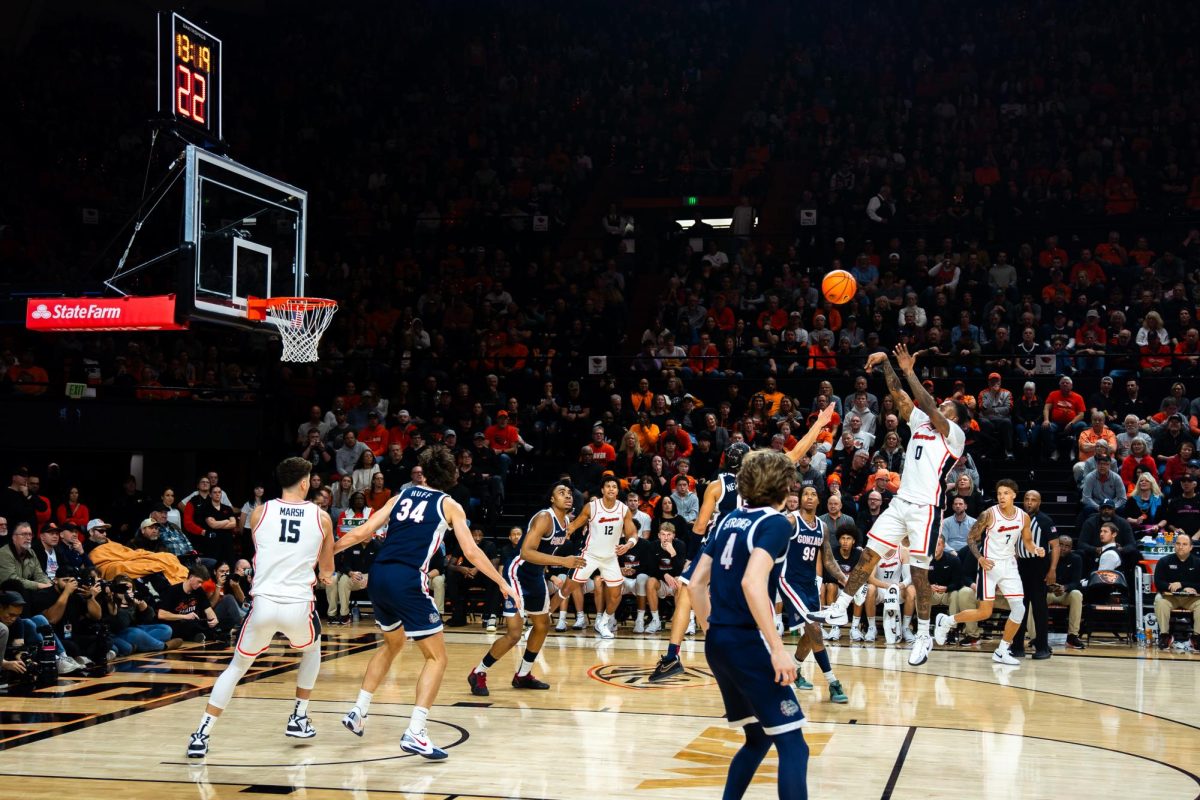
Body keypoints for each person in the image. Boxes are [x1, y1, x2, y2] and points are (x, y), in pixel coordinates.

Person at [334, 446, 516, 759]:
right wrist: (501, 582)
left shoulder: (400, 496)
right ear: (452, 476)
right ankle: (416, 731)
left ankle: (358, 710)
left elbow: (361, 532)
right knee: (437, 658)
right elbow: (471, 552)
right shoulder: (449, 504)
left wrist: (325, 558)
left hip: (379, 576)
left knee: (392, 644)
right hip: (407, 579)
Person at [811, 345, 967, 667]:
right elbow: (898, 394)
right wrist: (886, 364)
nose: (943, 405)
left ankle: (923, 633)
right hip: (901, 502)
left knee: (919, 573)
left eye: (948, 405)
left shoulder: (954, 434)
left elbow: (927, 405)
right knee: (869, 554)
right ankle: (841, 605)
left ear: (955, 415)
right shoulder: (922, 420)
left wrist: (910, 371)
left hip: (926, 508)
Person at [651, 407, 834, 682]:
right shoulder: (761, 478)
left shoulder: (717, 485)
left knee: (689, 592)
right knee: (749, 597)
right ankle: (756, 652)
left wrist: (690, 557)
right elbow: (795, 455)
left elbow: (700, 527)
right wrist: (819, 424)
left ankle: (674, 655)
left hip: (725, 537)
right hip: (754, 541)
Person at [187, 458, 335, 758]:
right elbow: (327, 571)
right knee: (313, 648)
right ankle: (298, 716)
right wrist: (326, 568)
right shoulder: (322, 518)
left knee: (237, 667)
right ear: (305, 482)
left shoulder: (258, 512)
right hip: (298, 605)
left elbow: (267, 546)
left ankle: (201, 734)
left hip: (263, 604)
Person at [687, 450, 811, 800]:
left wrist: (712, 630)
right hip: (748, 642)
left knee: (757, 739)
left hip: (719, 642)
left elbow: (696, 583)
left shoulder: (727, 520)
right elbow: (752, 583)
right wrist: (778, 649)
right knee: (794, 747)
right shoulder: (774, 524)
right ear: (783, 486)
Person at [468, 484, 584, 696]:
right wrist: (562, 561)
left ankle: (523, 674)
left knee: (542, 624)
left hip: (536, 576)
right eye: (561, 493)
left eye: (569, 493)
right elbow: (526, 552)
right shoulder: (544, 518)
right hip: (517, 575)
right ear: (551, 499)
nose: (567, 496)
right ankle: (478, 672)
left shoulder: (566, 521)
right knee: (513, 634)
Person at [934, 479, 1044, 666]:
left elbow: (1027, 541)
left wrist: (1035, 549)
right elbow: (971, 537)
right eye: (999, 493)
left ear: (1014, 495)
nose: (1002, 497)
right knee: (984, 612)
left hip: (1009, 565)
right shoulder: (989, 514)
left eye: (1006, 493)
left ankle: (1002, 650)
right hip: (989, 566)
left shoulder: (1023, 517)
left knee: (1019, 609)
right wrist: (980, 558)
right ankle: (947, 621)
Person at [779, 486, 849, 704]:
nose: (809, 497)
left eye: (813, 494)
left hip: (810, 584)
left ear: (819, 501)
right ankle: (832, 682)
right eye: (805, 494)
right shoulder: (791, 521)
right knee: (815, 628)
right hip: (789, 581)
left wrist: (844, 579)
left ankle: (796, 671)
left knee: (810, 635)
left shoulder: (822, 527)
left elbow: (828, 559)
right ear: (800, 500)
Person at [554, 475, 637, 640]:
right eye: (608, 486)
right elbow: (574, 525)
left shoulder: (623, 509)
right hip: (589, 556)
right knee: (566, 589)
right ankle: (539, 622)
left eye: (614, 486)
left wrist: (628, 545)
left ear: (617, 490)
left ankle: (603, 622)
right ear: (602, 490)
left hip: (610, 558)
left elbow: (632, 533)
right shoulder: (591, 507)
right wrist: (565, 533)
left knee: (616, 594)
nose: (611, 489)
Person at [1010, 490, 1059, 659]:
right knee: (1019, 607)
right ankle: (1017, 647)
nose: (1030, 502)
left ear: (1039, 502)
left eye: (1034, 500)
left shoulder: (1045, 520)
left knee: (1039, 608)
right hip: (1021, 565)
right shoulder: (1017, 519)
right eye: (1027, 499)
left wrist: (1052, 570)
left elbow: (1056, 546)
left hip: (1039, 566)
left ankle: (1043, 647)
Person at [1152, 534, 1200, 651]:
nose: (1180, 547)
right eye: (1178, 544)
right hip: (1170, 597)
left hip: (1191, 599)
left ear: (1191, 547)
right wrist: (1171, 586)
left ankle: (1197, 637)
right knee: (1160, 601)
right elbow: (1158, 582)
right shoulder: (1164, 561)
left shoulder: (1198, 562)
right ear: (1174, 545)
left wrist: (1183, 585)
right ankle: (1165, 636)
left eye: (1184, 544)